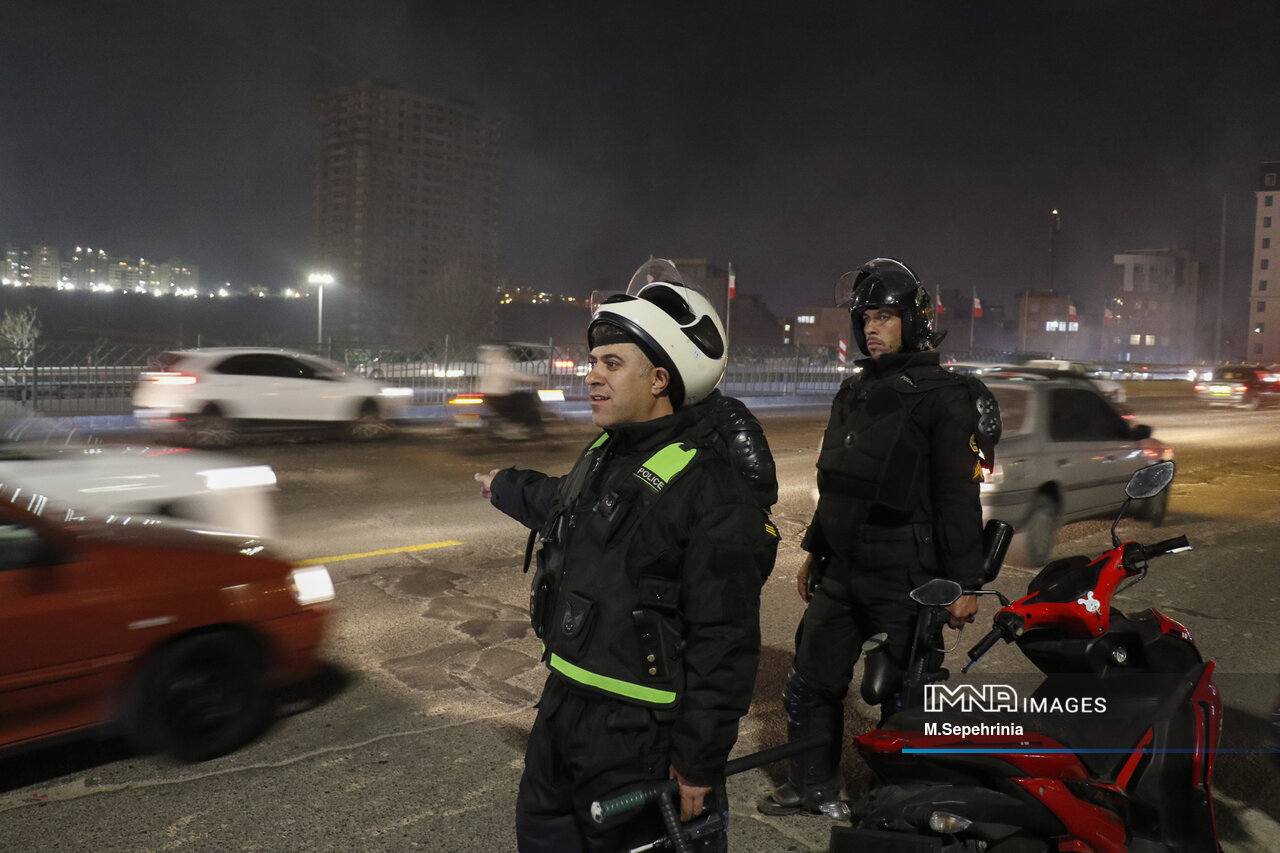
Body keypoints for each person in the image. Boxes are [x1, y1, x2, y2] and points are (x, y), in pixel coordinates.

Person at [475, 259, 779, 852]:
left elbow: (724, 641)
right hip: (562, 709)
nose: (592, 376)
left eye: (612, 364)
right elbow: (563, 506)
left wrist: (697, 762)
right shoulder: (608, 453)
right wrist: (503, 485)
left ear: (659, 379)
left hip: (641, 736)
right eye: (593, 361)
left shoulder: (711, 489)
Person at [758, 257, 999, 818]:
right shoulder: (855, 391)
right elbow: (837, 481)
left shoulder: (945, 396)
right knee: (810, 680)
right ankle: (813, 785)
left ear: (913, 322)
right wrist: (815, 553)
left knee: (905, 693)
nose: (871, 327)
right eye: (866, 317)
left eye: (884, 316)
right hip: (844, 568)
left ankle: (898, 802)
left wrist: (964, 584)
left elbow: (957, 497)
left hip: (907, 572)